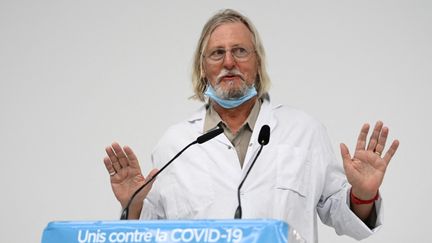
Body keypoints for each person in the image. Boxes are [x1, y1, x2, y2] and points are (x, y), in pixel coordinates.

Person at [103, 9, 399, 243]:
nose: (229, 61)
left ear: (257, 63)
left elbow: (343, 216)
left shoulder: (304, 131)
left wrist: (362, 194)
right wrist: (134, 206)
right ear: (202, 67)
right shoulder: (176, 143)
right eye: (217, 53)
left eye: (240, 51)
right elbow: (149, 234)